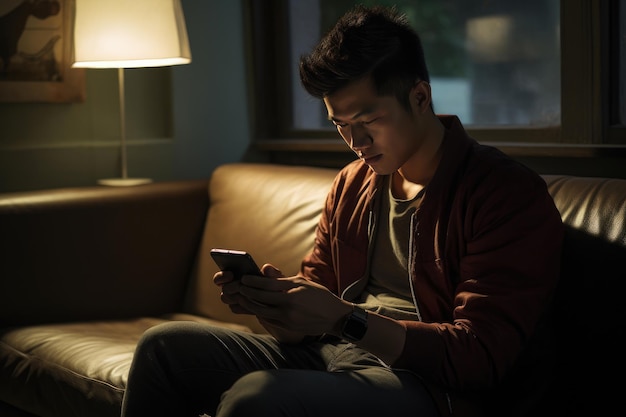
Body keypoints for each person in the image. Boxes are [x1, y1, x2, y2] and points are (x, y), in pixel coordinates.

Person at [120, 5, 563, 417]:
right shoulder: (353, 183)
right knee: (163, 349)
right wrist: (276, 307)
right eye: (340, 125)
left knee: (257, 398)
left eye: (368, 121)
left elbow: (479, 357)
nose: (356, 142)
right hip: (331, 352)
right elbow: (318, 297)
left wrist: (342, 318)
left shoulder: (502, 193)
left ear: (421, 97)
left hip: (424, 384)